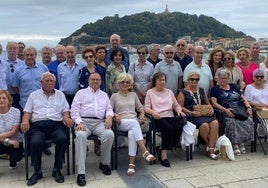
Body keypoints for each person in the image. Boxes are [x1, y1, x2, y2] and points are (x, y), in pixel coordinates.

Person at [20, 72, 74, 186]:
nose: (49, 83)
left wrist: (66, 117)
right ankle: (37, 171)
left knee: (62, 139)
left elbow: (66, 110)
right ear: (41, 82)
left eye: (51, 81)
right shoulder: (33, 95)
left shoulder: (60, 94)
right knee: (35, 142)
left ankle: (57, 169)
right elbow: (27, 111)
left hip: (55, 125)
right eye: (46, 81)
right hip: (38, 126)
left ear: (55, 82)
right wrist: (25, 121)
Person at [71, 72, 114, 186]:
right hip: (84, 122)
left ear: (101, 82)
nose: (95, 81)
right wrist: (79, 122)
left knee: (109, 135)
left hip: (99, 122)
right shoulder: (81, 93)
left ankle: (104, 163)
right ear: (88, 81)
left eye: (97, 79)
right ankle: (81, 172)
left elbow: (109, 109)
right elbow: (74, 110)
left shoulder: (104, 95)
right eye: (92, 79)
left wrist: (109, 117)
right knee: (80, 136)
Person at [110, 73, 156, 175]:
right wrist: (115, 114)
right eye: (122, 82)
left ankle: (131, 165)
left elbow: (140, 107)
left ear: (130, 84)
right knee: (134, 124)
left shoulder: (133, 95)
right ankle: (144, 150)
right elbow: (108, 110)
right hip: (120, 122)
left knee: (132, 133)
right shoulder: (114, 96)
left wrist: (142, 113)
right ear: (119, 83)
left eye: (127, 82)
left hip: (133, 123)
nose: (125, 84)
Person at [144, 72, 185, 167]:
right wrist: (153, 112)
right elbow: (146, 108)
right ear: (155, 82)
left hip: (169, 115)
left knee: (178, 127)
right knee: (169, 129)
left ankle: (163, 147)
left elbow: (176, 105)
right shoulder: (150, 93)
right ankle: (163, 155)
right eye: (159, 80)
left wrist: (179, 111)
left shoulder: (169, 92)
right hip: (157, 117)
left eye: (163, 80)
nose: (162, 82)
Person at [210, 70, 254, 156]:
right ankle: (235, 144)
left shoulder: (233, 86)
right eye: (221, 78)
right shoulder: (215, 89)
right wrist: (225, 110)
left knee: (248, 120)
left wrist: (248, 107)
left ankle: (241, 142)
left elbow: (243, 98)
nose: (223, 80)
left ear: (228, 78)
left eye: (225, 78)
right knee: (232, 122)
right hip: (225, 112)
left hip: (239, 110)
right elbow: (214, 102)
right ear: (218, 79)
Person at [177, 72, 219, 160]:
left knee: (215, 123)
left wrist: (211, 109)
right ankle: (211, 148)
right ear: (188, 80)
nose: (194, 81)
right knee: (204, 125)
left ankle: (209, 148)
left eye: (197, 79)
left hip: (204, 114)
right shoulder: (183, 92)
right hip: (192, 116)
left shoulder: (201, 90)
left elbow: (208, 103)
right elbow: (180, 106)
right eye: (192, 79)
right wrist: (190, 112)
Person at [0, 90, 24, 169]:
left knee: (16, 157)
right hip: (3, 142)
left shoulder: (16, 111)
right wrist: (8, 141)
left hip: (16, 141)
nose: (1, 100)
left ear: (9, 100)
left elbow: (13, 131)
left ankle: (13, 161)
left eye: (4, 98)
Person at [2, 42, 24, 110]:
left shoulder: (22, 64)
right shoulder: (1, 62)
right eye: (10, 48)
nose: (12, 50)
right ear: (6, 49)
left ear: (17, 50)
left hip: (18, 94)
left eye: (14, 48)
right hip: (4, 94)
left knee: (18, 114)